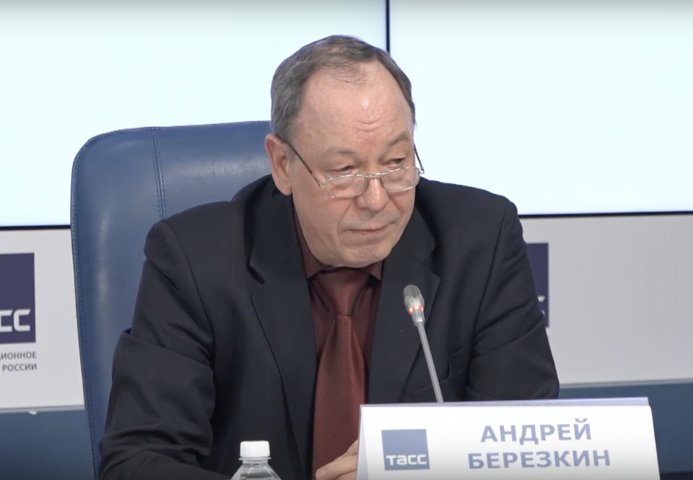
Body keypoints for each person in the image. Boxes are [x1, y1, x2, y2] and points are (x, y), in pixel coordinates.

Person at [99, 35, 559, 480]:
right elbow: (136, 463)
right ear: (283, 165)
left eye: (396, 163)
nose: (376, 199)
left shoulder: (480, 241)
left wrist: (412, 466)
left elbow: (529, 448)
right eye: (344, 171)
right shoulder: (195, 259)